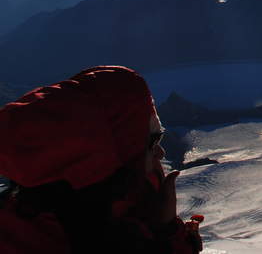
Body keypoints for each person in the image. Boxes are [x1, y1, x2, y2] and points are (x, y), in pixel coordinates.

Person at [0, 66, 203, 253]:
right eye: (152, 141)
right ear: (106, 160)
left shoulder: (23, 223)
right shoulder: (111, 234)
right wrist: (167, 233)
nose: (161, 153)